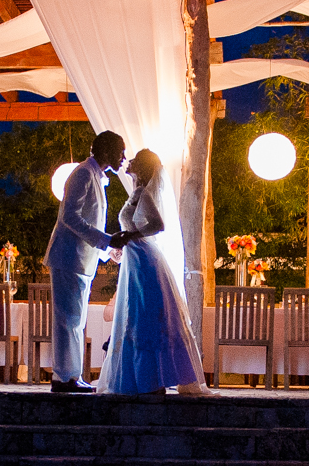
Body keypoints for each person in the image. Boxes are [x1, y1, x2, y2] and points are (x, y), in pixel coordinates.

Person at [98, 148, 212, 396]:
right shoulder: (137, 193)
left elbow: (158, 225)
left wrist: (130, 235)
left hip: (144, 261)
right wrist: (124, 245)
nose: (129, 162)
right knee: (137, 314)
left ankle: (152, 380)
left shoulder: (143, 193)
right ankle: (145, 378)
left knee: (144, 316)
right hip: (135, 258)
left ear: (142, 167)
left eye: (135, 160)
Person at [43, 130, 126, 393]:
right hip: (69, 258)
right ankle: (64, 378)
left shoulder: (94, 176)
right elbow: (70, 217)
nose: (123, 157)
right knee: (67, 321)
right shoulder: (82, 174)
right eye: (119, 151)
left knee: (74, 321)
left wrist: (106, 251)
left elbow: (88, 222)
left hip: (80, 260)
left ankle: (71, 376)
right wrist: (107, 241)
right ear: (105, 151)